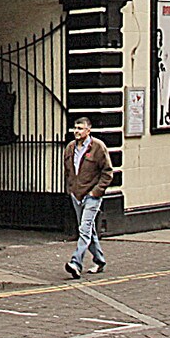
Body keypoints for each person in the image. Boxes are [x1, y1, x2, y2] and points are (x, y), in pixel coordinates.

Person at [64, 114, 113, 277]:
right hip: (76, 195)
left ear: (88, 130)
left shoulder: (98, 147)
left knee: (84, 229)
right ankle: (99, 260)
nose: (77, 131)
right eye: (75, 128)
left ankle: (75, 262)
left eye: (80, 128)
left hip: (92, 195)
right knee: (88, 231)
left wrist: (96, 191)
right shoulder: (70, 148)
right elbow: (68, 171)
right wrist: (71, 189)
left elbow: (107, 173)